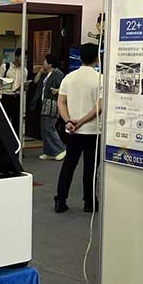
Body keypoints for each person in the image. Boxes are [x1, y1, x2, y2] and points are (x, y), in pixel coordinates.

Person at [55, 43, 102, 214]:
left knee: (69, 165)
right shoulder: (100, 78)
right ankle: (89, 202)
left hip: (72, 130)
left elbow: (61, 102)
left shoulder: (69, 78)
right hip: (93, 130)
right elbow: (99, 107)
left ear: (80, 57)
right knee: (90, 167)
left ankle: (61, 200)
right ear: (97, 58)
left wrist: (69, 120)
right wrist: (82, 121)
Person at [32, 54, 66, 161]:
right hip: (45, 103)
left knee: (49, 127)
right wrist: (40, 72)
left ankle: (60, 149)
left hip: (53, 103)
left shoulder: (58, 74)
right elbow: (35, 81)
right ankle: (48, 151)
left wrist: (57, 91)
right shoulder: (46, 74)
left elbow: (64, 88)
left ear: (50, 63)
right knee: (44, 129)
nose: (43, 63)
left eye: (45, 61)